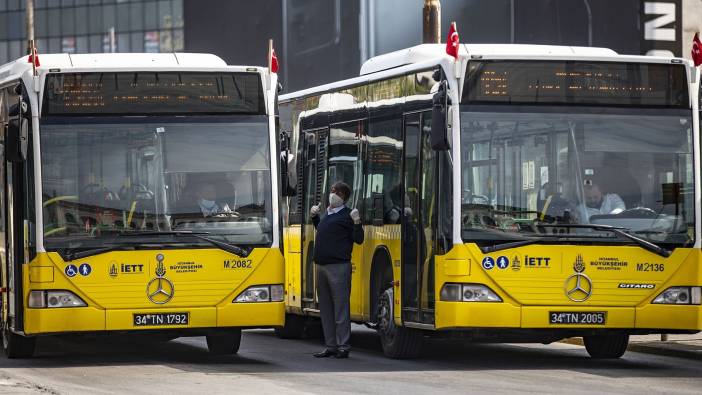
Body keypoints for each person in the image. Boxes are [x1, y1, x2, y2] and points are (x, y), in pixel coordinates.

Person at [310, 181, 364, 359]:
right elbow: (324, 230)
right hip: (321, 266)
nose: (332, 194)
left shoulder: (348, 215)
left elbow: (359, 239)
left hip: (338, 267)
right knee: (325, 308)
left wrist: (357, 222)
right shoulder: (328, 214)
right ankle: (330, 345)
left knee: (340, 307)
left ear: (344, 197)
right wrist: (315, 218)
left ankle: (343, 346)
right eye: (332, 191)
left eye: (337, 192)